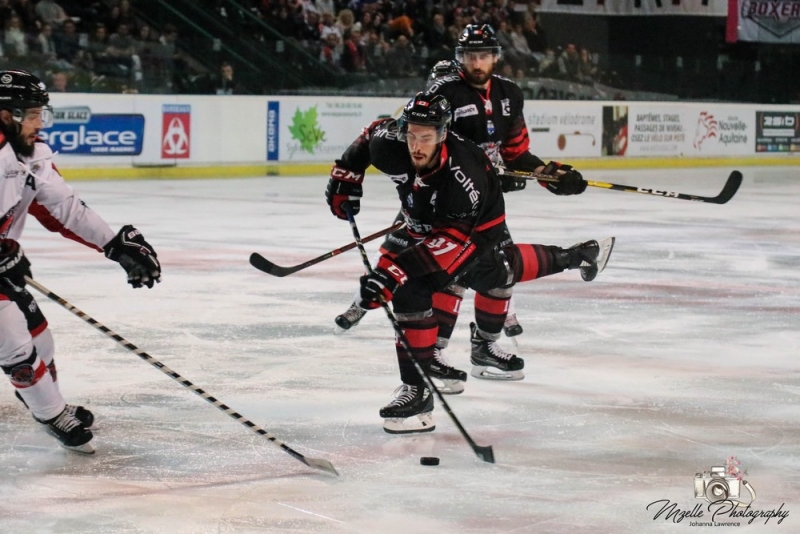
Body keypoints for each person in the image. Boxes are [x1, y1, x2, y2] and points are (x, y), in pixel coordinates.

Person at [325, 92, 613, 433]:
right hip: (427, 218)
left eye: (426, 137)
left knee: (480, 272)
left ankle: (572, 256)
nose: (416, 145)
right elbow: (368, 136)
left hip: (476, 230)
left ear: (443, 134)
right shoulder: (391, 141)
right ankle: (417, 388)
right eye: (412, 134)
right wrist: (345, 178)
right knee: (427, 284)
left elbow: (448, 242)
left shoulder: (464, 173)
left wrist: (393, 274)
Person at [334, 24, 589, 392]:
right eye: (470, 55)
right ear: (460, 57)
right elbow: (412, 130)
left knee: (494, 268)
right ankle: (382, 312)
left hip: (480, 197)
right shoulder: (444, 91)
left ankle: (477, 346)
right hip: (438, 190)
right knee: (420, 257)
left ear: (495, 56)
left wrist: (548, 174)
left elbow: (515, 153)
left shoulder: (509, 94)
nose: (477, 61)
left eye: (483, 54)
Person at [0, 70, 161, 454]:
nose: (41, 124)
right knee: (12, 339)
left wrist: (115, 245)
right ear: (8, 115)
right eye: (34, 114)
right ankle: (51, 412)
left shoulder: (30, 155)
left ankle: (44, 397)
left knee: (41, 338)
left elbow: (63, 209)